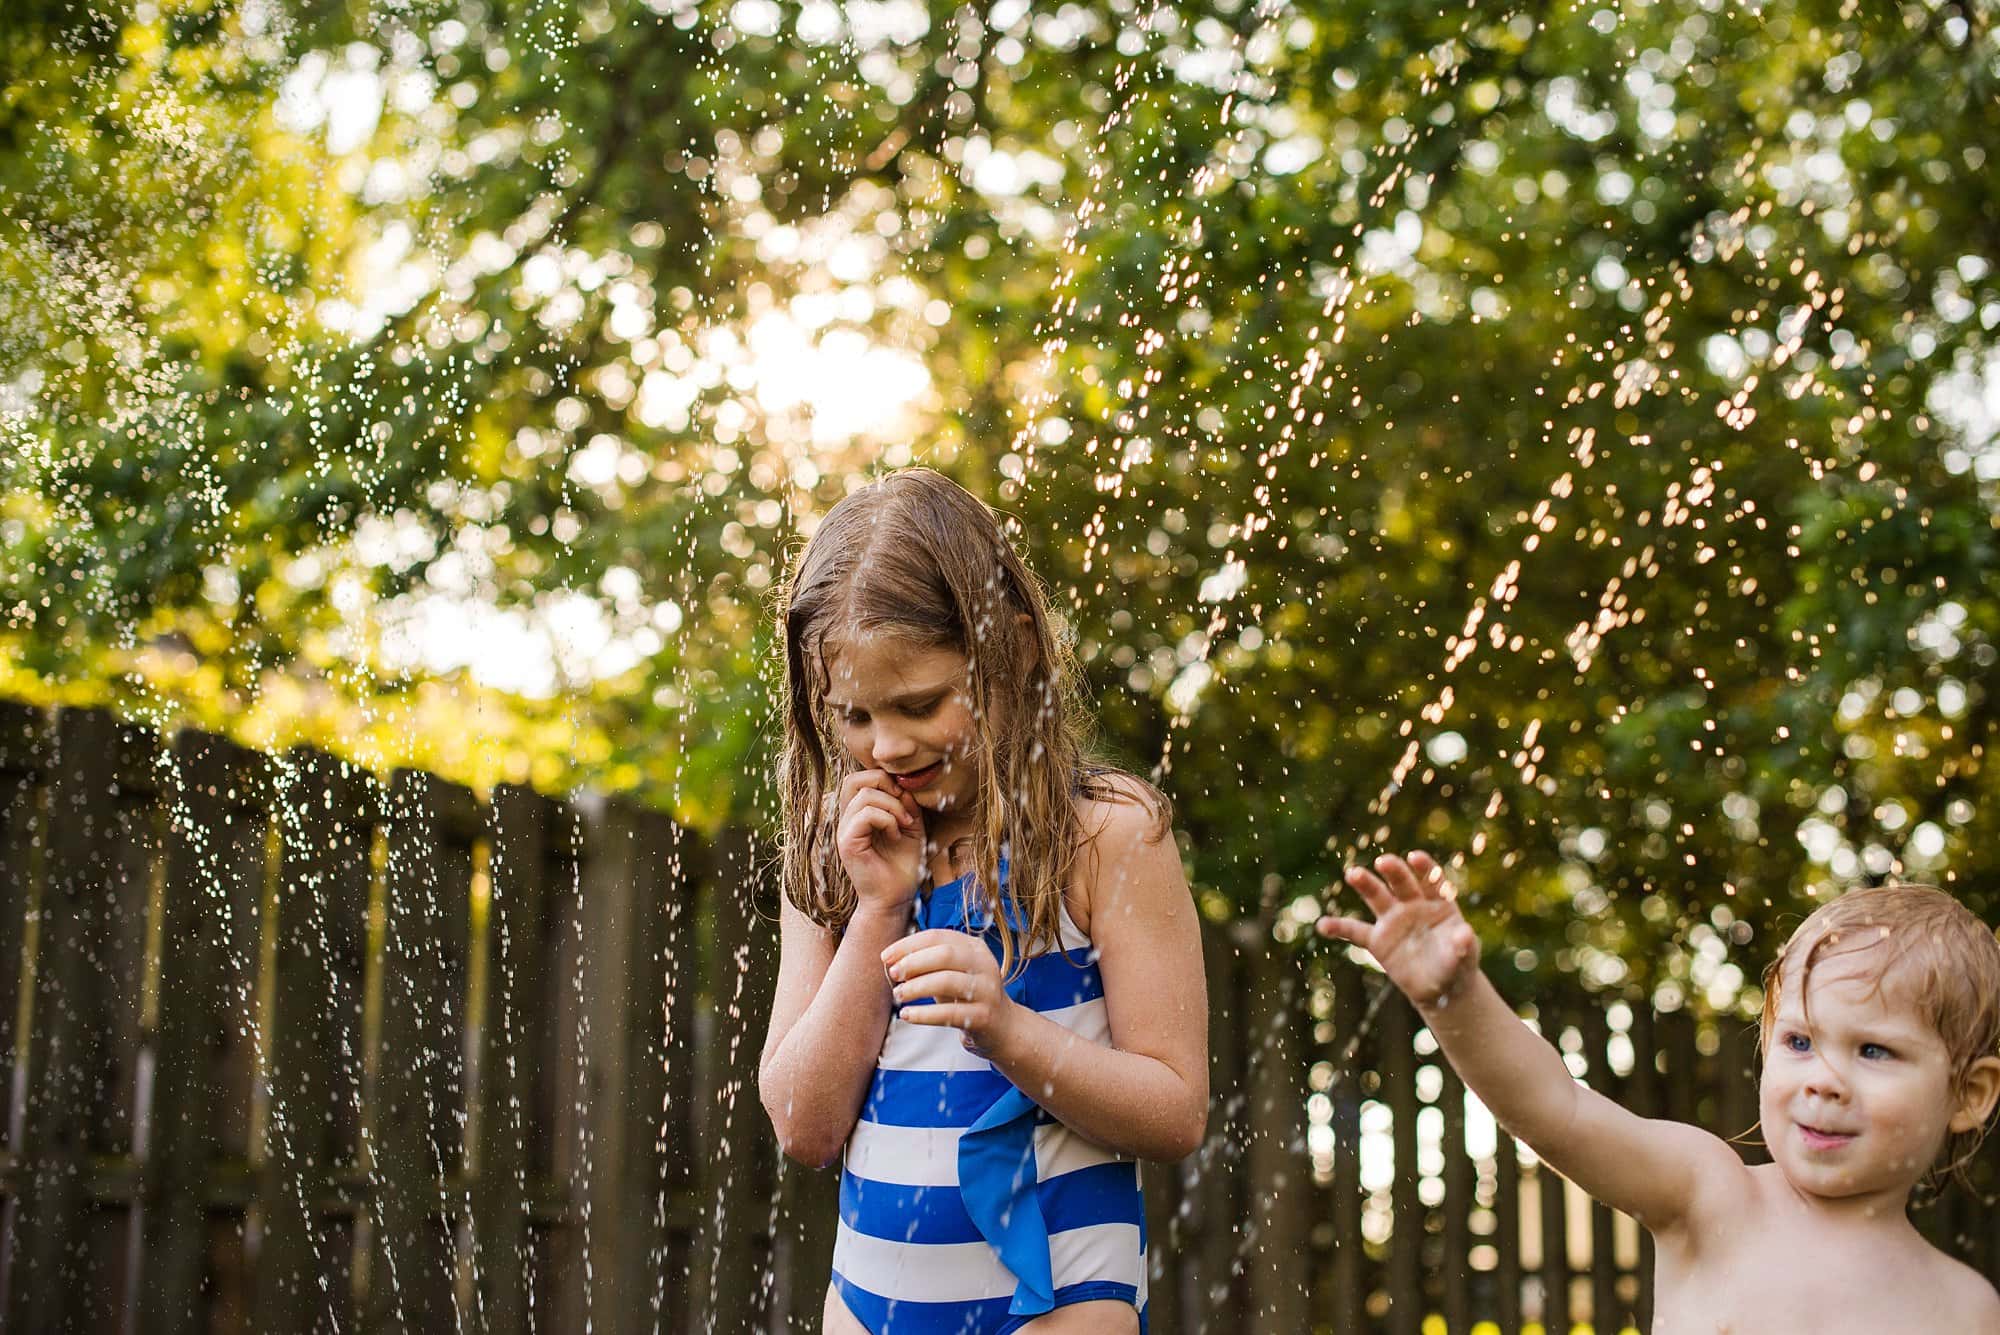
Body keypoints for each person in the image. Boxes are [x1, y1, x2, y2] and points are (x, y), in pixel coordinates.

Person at [759, 468, 1207, 1335]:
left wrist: (1006, 1027)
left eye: (920, 704)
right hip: (866, 1309)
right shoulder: (834, 853)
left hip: (1062, 1307)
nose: (887, 745)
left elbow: (1176, 1108)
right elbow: (804, 1125)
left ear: (1016, 647)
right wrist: (878, 911)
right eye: (853, 716)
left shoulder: (1104, 836)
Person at [1317, 852, 2000, 1332]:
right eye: (1798, 1041)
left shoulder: (1968, 1307)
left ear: (1969, 1093)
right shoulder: (1712, 1194)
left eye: (1874, 1049)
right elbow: (1559, 1110)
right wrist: (1455, 997)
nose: (1822, 1077)